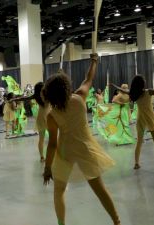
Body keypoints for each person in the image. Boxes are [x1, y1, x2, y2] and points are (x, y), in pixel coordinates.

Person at [43, 54, 121, 225]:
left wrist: (47, 167)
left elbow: (52, 144)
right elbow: (88, 78)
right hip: (86, 149)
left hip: (65, 153)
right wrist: (94, 61)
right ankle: (116, 221)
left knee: (59, 191)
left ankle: (61, 223)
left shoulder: (52, 115)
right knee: (99, 189)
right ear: (66, 87)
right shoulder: (79, 98)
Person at [111, 75, 154, 169]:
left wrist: (115, 86)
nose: (145, 81)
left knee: (139, 142)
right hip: (150, 118)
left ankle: (136, 163)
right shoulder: (148, 91)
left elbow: (125, 91)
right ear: (142, 84)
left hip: (140, 118)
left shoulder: (134, 93)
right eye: (144, 80)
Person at [12, 82, 50, 162]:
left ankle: (42, 157)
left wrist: (15, 99)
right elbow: (25, 98)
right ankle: (48, 156)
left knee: (42, 139)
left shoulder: (36, 96)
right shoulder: (47, 95)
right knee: (49, 138)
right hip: (48, 117)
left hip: (42, 117)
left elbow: (25, 98)